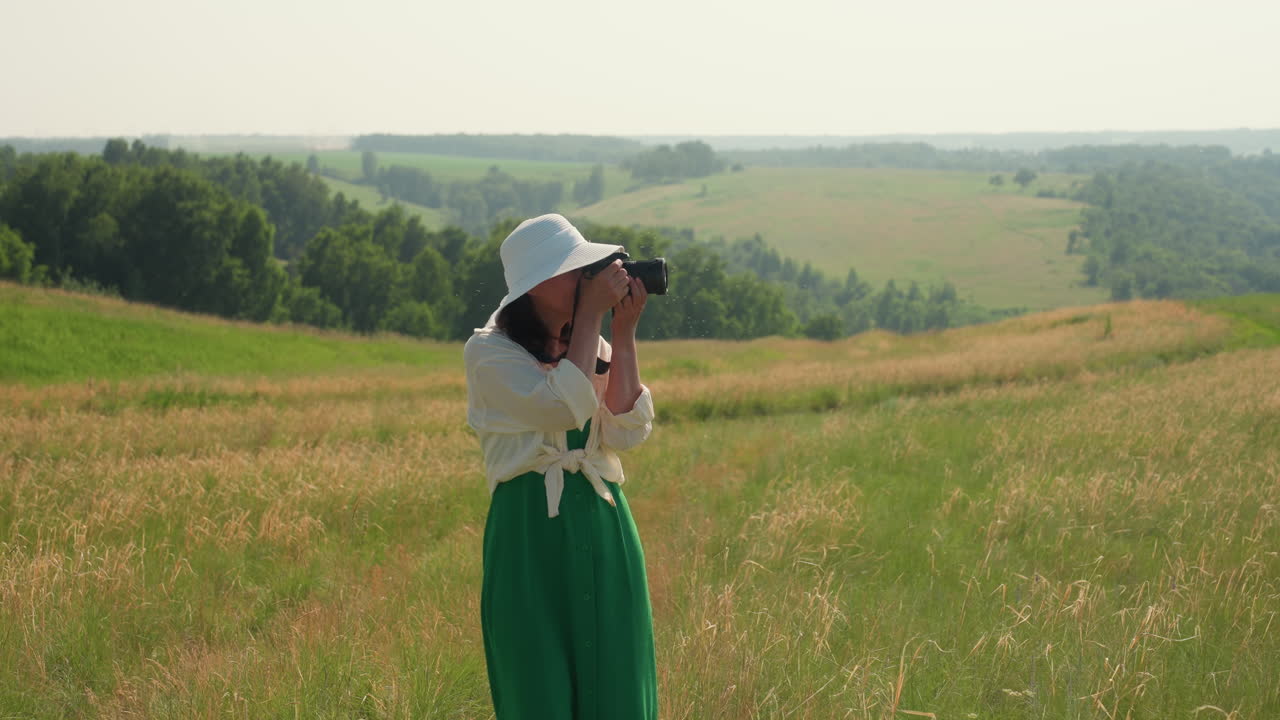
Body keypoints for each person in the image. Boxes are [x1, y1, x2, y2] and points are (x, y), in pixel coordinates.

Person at [463, 214, 658, 720]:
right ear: (536, 285)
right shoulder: (488, 353)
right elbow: (560, 407)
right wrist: (592, 318)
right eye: (576, 270)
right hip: (530, 529)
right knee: (538, 681)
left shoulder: (591, 344)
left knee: (616, 676)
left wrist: (625, 333)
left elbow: (626, 431)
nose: (588, 278)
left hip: (603, 519)